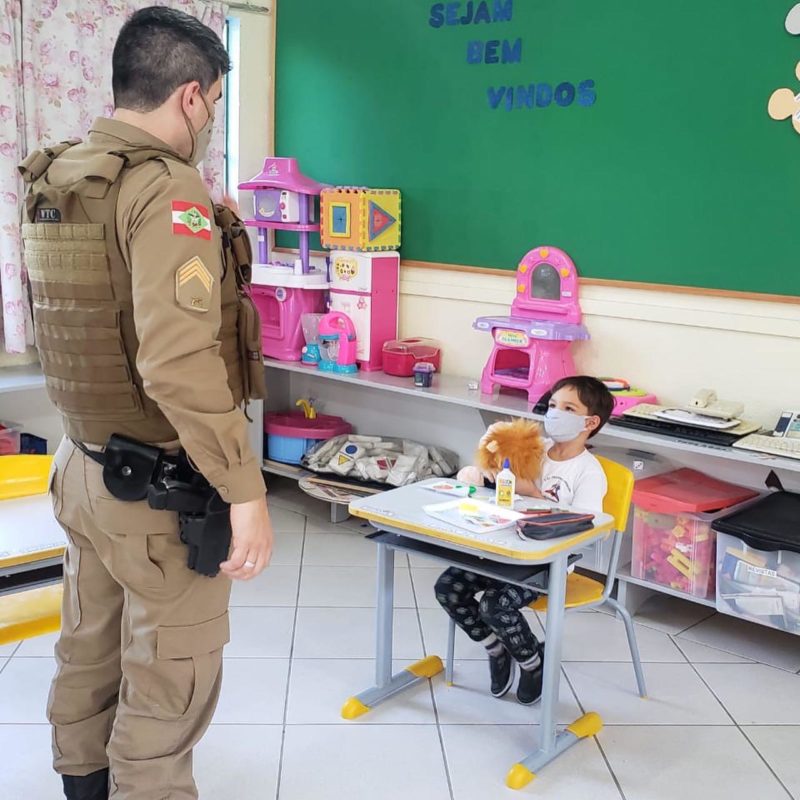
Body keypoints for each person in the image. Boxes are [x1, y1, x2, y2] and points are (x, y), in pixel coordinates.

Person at [18, 7, 273, 799]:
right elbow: (177, 363)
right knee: (170, 678)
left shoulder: (65, 171)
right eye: (216, 106)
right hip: (160, 490)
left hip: (83, 466)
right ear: (192, 98)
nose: (210, 123)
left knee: (89, 651)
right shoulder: (166, 191)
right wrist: (246, 490)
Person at [434, 376, 614, 705]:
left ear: (590, 422)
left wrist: (532, 493)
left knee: (494, 604)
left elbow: (586, 529)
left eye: (568, 408)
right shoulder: (534, 447)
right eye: (554, 405)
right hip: (504, 548)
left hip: (549, 566)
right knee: (448, 588)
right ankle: (497, 648)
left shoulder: (588, 472)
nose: (555, 414)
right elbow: (500, 479)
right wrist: (488, 464)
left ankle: (533, 664)